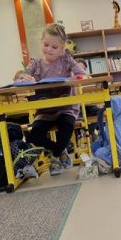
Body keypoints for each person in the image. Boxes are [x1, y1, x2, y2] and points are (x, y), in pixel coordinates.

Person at [17, 23, 86, 176]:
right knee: (34, 136)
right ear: (41, 41)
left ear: (62, 48)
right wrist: (24, 77)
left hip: (66, 108)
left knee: (66, 129)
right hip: (45, 111)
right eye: (46, 45)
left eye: (54, 47)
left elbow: (81, 73)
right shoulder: (36, 63)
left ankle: (55, 156)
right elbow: (21, 77)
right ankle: (58, 151)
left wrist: (78, 76)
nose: (49, 49)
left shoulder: (66, 60)